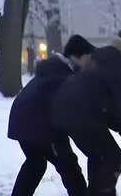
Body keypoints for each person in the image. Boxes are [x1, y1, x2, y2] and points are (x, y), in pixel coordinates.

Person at [52, 27, 121, 196]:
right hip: (80, 115)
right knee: (114, 158)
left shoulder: (103, 56)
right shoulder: (120, 65)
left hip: (66, 112)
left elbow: (110, 110)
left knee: (99, 156)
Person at [8, 35, 95, 196]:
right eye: (88, 59)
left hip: (21, 122)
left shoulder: (56, 69)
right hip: (41, 127)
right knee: (69, 165)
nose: (89, 64)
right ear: (77, 57)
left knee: (36, 163)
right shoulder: (64, 75)